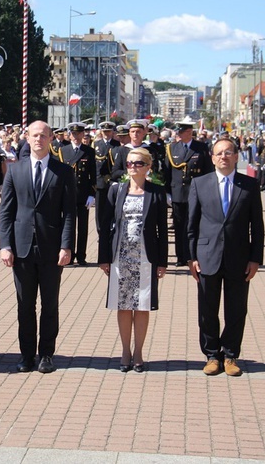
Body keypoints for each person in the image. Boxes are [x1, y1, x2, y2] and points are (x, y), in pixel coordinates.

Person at [0, 120, 76, 374]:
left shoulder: (63, 172)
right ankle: (26, 355)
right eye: (34, 135)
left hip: (51, 249)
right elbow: (6, 212)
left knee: (49, 304)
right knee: (25, 305)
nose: (38, 140)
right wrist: (5, 245)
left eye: (43, 135)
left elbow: (69, 214)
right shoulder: (15, 170)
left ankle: (46, 354)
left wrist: (66, 246)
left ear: (51, 138)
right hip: (21, 249)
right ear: (27, 137)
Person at [188, 137, 264, 376]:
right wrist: (191, 257)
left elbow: (257, 226)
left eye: (228, 152)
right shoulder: (199, 183)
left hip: (238, 257)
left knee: (236, 310)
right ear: (212, 157)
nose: (224, 157)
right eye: (219, 153)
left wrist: (255, 258)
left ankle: (230, 355)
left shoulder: (249, 185)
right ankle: (211, 355)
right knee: (207, 310)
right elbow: (191, 225)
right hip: (207, 255)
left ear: (236, 156)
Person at [98, 147, 167, 373]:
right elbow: (105, 226)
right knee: (124, 305)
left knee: (142, 304)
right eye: (129, 163)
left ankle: (139, 352)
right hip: (122, 255)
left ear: (148, 167)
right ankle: (125, 351)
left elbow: (162, 231)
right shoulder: (116, 191)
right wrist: (104, 258)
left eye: (138, 163)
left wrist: (162, 262)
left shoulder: (156, 192)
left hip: (146, 257)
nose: (133, 167)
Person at [165, 117, 213, 266]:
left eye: (182, 131)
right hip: (178, 193)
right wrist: (167, 192)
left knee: (194, 225)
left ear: (189, 132)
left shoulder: (201, 148)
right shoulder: (172, 148)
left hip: (195, 192)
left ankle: (193, 255)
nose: (179, 134)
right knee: (179, 226)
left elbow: (207, 171)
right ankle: (181, 257)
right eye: (178, 131)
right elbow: (167, 172)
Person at [57, 122, 96, 266]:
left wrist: (92, 194)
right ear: (69, 135)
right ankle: (70, 255)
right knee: (69, 226)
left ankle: (81, 256)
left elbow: (93, 174)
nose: (76, 137)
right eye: (73, 134)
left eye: (79, 134)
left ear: (82, 135)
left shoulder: (89, 151)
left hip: (83, 194)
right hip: (67, 194)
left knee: (83, 227)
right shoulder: (63, 151)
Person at [93, 121, 121, 231]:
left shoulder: (117, 145)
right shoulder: (96, 144)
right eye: (104, 131)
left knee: (113, 207)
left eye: (108, 131)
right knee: (99, 209)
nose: (106, 134)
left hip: (113, 181)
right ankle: (100, 230)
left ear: (112, 132)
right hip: (100, 182)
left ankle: (112, 229)